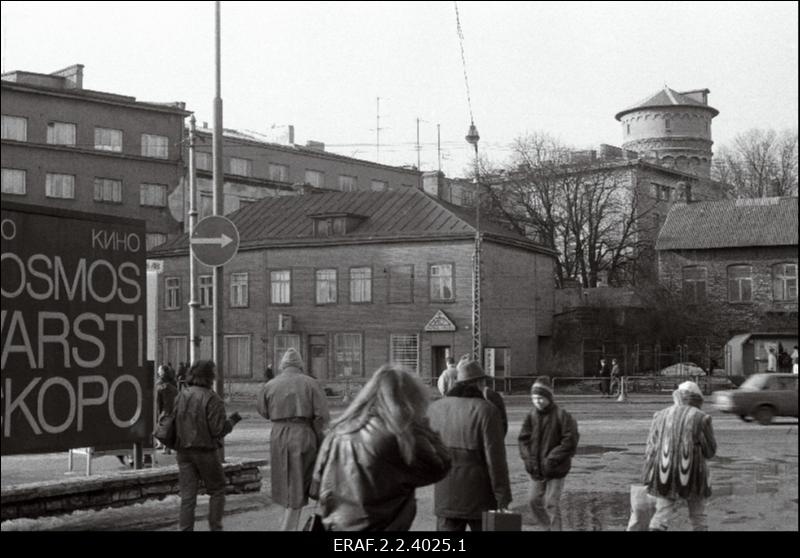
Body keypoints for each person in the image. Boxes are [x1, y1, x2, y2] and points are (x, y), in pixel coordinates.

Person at [310, 365, 452, 530]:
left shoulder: (338, 432)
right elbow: (440, 466)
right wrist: (422, 426)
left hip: (337, 526)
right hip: (382, 526)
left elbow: (315, 488)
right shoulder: (398, 435)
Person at [427, 358, 511, 532]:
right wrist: (503, 495)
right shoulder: (487, 411)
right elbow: (495, 460)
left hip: (445, 496)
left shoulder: (436, 408)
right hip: (480, 497)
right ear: (479, 383)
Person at [257, 348, 330, 531]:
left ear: (282, 365)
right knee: (300, 483)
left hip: (278, 434)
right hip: (303, 433)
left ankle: (287, 522)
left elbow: (263, 411)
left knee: (285, 482)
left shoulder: (270, 385)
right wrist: (319, 436)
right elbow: (322, 416)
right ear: (300, 365)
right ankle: (289, 526)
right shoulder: (311, 383)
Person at [174, 360, 241, 531]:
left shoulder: (182, 395)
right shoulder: (212, 398)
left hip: (183, 451)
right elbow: (218, 429)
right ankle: (215, 527)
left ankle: (185, 529)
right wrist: (233, 420)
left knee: (188, 497)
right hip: (205, 451)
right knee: (217, 489)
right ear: (209, 376)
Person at [641, 381, 716, 531]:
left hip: (664, 471)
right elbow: (710, 451)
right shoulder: (701, 418)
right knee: (698, 514)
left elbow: (651, 448)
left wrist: (647, 473)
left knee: (662, 513)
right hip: (694, 474)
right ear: (697, 398)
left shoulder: (660, 415)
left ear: (676, 396)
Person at [518, 376, 579, 531]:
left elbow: (570, 440)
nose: (537, 401)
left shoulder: (561, 415)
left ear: (549, 397)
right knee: (533, 501)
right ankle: (547, 527)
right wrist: (528, 459)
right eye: (534, 398)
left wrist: (552, 458)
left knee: (551, 503)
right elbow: (523, 439)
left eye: (540, 398)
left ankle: (554, 529)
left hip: (556, 469)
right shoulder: (531, 416)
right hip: (536, 468)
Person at [155, 364, 179, 454]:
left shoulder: (160, 385)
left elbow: (158, 401)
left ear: (162, 372)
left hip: (165, 409)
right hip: (173, 408)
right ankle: (166, 447)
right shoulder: (173, 383)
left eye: (159, 370)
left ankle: (164, 446)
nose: (158, 371)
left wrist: (159, 412)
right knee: (170, 428)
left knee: (163, 428)